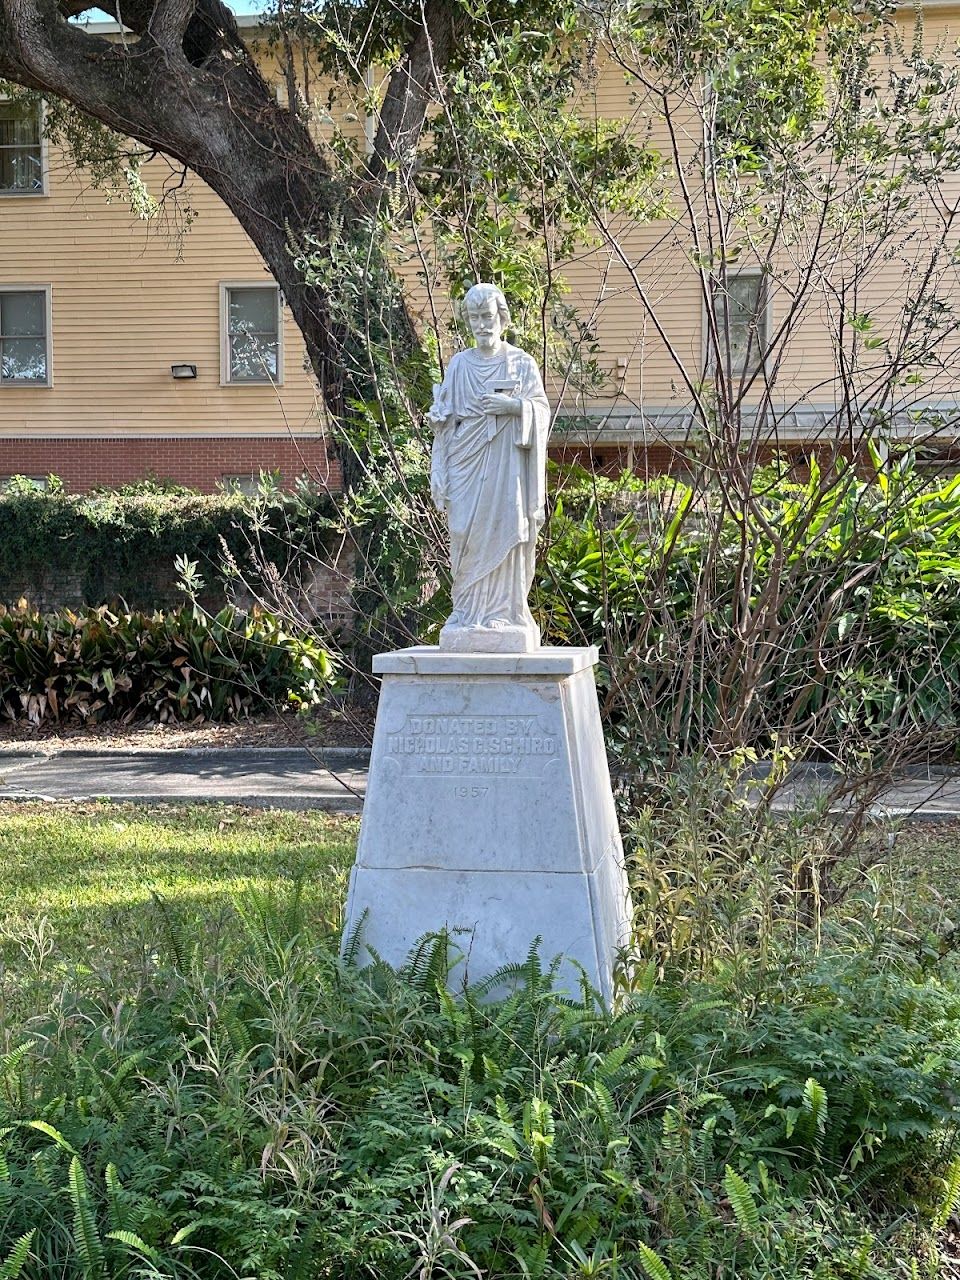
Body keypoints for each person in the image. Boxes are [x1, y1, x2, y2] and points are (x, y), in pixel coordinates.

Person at [427, 283, 551, 652]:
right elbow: (447, 418)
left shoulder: (521, 363)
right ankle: (466, 612)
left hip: (505, 465)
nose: (483, 325)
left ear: (502, 319)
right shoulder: (460, 365)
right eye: (475, 318)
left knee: (506, 529)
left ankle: (506, 612)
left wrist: (512, 408)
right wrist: (439, 429)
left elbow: (541, 412)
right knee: (463, 531)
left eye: (488, 317)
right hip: (466, 462)